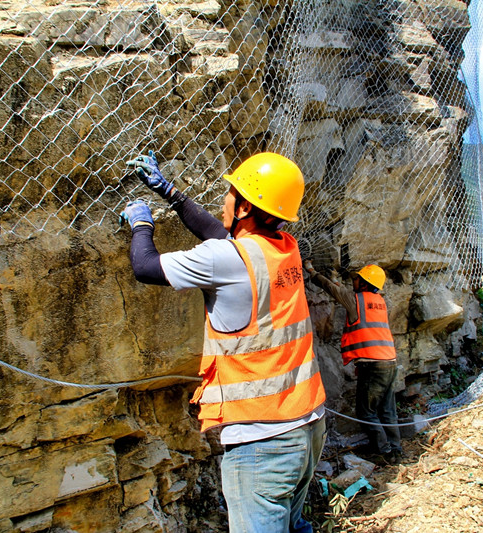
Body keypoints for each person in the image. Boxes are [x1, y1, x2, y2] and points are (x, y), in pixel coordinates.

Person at [120, 151, 327, 533]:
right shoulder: (285, 247)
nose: (224, 199)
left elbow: (145, 267)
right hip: (308, 426)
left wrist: (141, 224)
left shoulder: (226, 258)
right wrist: (172, 194)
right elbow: (223, 236)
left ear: (245, 206)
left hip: (263, 442)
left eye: (231, 193)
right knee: (294, 525)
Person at [303, 261, 402, 462]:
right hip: (389, 361)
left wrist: (311, 270)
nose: (353, 280)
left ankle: (383, 452)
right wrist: (336, 279)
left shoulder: (355, 300)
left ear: (364, 283)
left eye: (357, 278)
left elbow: (332, 290)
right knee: (387, 409)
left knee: (366, 412)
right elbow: (345, 292)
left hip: (373, 365)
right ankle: (395, 449)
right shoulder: (379, 301)